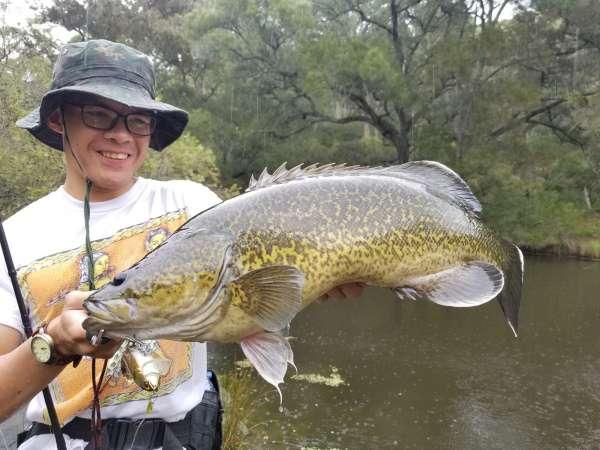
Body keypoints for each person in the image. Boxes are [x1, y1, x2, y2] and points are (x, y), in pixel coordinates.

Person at [0, 39, 362, 450]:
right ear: (57, 120)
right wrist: (54, 346)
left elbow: (264, 292)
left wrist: (322, 274)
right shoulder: (14, 237)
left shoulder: (192, 204)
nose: (120, 135)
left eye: (138, 120)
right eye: (98, 114)